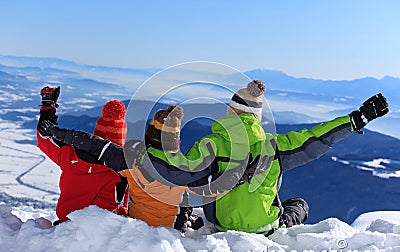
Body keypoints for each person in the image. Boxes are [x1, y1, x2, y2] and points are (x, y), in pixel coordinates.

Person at [41, 81, 389, 235]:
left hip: (219, 225)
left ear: (230, 112)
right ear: (255, 116)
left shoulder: (209, 145)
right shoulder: (277, 145)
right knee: (298, 204)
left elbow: (175, 172)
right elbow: (316, 138)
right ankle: (277, 220)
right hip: (264, 229)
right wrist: (355, 120)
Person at [37, 86, 129, 225]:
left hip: (63, 225)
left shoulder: (70, 154)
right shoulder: (121, 173)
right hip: (93, 234)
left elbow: (43, 138)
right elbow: (116, 208)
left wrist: (48, 106)